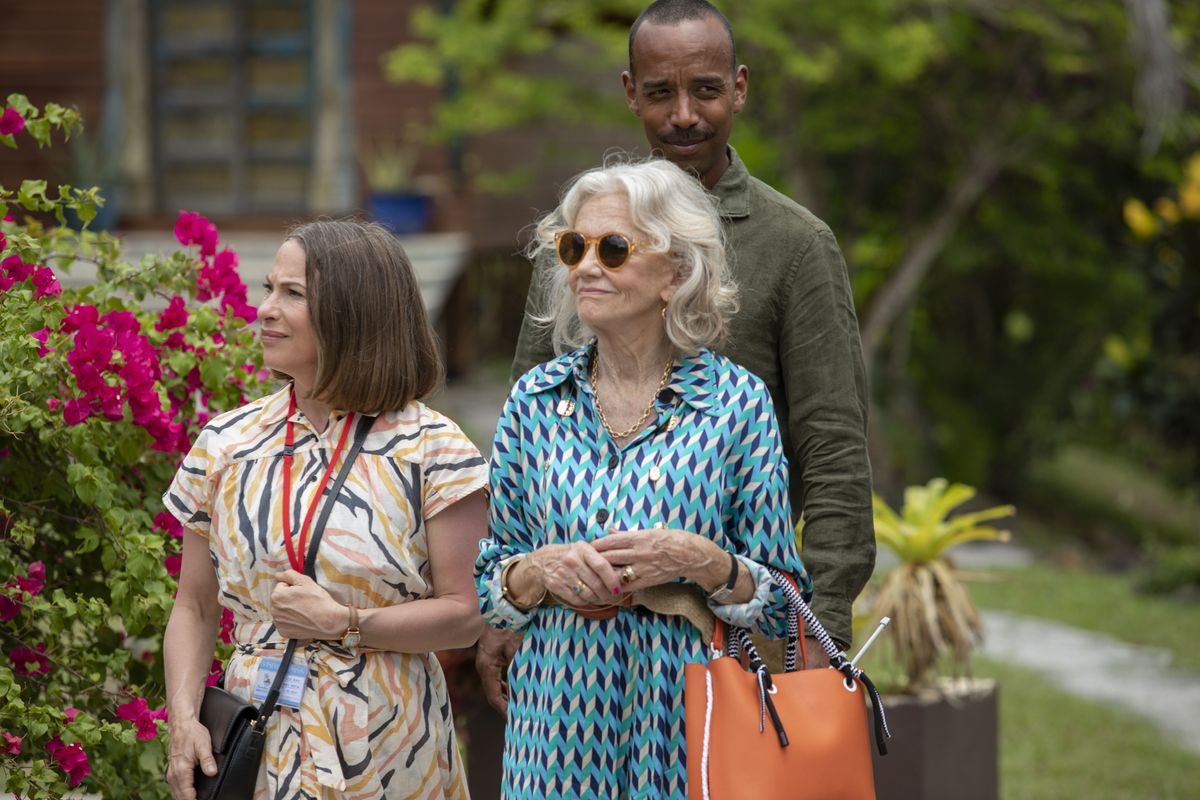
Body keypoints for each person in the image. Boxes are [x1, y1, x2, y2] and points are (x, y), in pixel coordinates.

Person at [481, 0, 875, 709]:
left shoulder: (795, 244)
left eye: (707, 89)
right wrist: (505, 613)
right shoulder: (582, 239)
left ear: (741, 87)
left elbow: (833, 448)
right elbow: (523, 424)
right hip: (570, 652)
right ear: (631, 92)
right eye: (660, 92)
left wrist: (821, 629)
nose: (685, 114)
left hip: (722, 629)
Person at [476, 158, 810, 797]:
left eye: (614, 247)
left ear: (677, 272)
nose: (587, 267)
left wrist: (703, 561)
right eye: (574, 246)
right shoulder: (534, 401)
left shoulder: (735, 404)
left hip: (687, 729)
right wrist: (535, 571)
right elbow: (489, 583)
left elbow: (786, 604)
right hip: (555, 737)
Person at [162, 220, 488, 800]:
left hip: (388, 744)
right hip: (256, 736)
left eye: (293, 294)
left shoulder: (434, 449)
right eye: (269, 288)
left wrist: (349, 624)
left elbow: (466, 615)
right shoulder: (225, 442)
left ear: (352, 312)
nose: (264, 309)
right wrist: (183, 720)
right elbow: (193, 603)